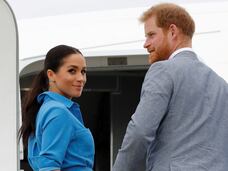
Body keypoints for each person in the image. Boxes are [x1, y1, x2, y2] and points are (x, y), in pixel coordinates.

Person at [113, 3, 228, 171]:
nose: (146, 44)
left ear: (172, 31)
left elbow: (140, 132)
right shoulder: (221, 85)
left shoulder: (162, 70)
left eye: (151, 35)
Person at [18, 45, 95, 171]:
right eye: (72, 71)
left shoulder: (47, 108)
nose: (81, 78)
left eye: (83, 71)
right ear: (51, 75)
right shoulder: (58, 112)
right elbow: (49, 166)